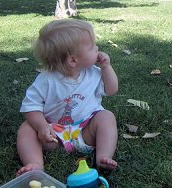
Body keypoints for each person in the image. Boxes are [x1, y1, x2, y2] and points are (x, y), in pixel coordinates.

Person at [16, 19, 119, 175]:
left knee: (106, 116)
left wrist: (106, 67)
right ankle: (35, 164)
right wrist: (42, 126)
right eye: (92, 47)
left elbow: (111, 90)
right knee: (27, 128)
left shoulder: (94, 73)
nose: (97, 48)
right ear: (73, 60)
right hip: (53, 135)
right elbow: (31, 107)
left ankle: (103, 157)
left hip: (86, 130)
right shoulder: (46, 80)